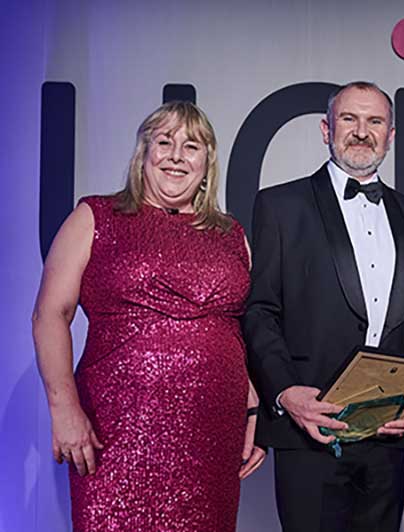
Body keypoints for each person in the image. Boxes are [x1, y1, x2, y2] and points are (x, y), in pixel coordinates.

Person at [31, 101, 265, 531]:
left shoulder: (232, 234)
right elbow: (50, 314)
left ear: (207, 162)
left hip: (212, 433)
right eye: (164, 142)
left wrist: (255, 403)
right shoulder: (95, 217)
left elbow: (239, 327)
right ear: (143, 153)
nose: (177, 155)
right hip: (115, 432)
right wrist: (63, 410)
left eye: (191, 145)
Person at [243, 81, 404, 532]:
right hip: (310, 430)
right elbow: (260, 310)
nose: (362, 132)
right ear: (326, 129)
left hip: (388, 439)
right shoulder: (280, 206)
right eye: (349, 119)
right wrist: (285, 393)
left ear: (392, 135)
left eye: (375, 121)